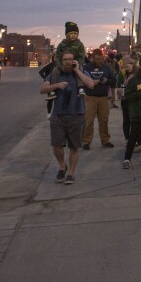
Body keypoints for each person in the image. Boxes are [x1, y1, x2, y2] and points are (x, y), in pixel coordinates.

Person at [40, 52, 96, 185]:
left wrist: (77, 70)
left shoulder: (80, 72)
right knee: (56, 145)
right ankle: (62, 166)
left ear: (74, 61)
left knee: (74, 147)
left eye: (70, 59)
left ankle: (71, 173)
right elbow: (42, 89)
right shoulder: (56, 73)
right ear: (61, 61)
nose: (67, 62)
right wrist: (56, 85)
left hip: (77, 114)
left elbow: (91, 84)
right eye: (65, 59)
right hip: (58, 114)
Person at [81, 48, 118, 150]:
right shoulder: (86, 67)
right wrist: (91, 82)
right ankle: (86, 141)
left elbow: (113, 80)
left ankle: (105, 140)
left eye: (101, 58)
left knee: (104, 119)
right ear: (92, 58)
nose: (99, 61)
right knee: (89, 120)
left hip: (103, 97)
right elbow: (81, 80)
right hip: (90, 97)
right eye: (97, 59)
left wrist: (106, 81)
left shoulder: (106, 67)